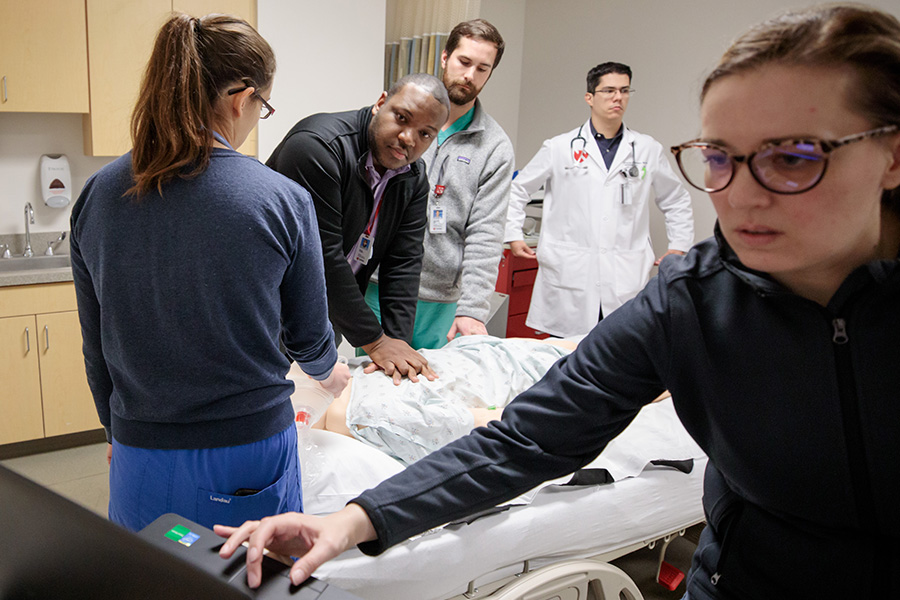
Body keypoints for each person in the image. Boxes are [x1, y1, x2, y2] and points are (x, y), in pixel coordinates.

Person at [217, 4, 900, 597]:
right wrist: (355, 520)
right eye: (719, 157)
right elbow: (527, 437)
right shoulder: (689, 303)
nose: (741, 196)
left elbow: (408, 258)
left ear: (891, 155)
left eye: (793, 156)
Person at [69, 13, 350, 532]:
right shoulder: (280, 200)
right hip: (245, 451)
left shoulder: (98, 197)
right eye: (262, 107)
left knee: (147, 582)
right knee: (247, 581)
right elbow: (310, 338)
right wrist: (333, 371)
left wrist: (117, 433)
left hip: (140, 449)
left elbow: (97, 347)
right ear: (242, 99)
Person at [266, 75, 450, 383]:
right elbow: (320, 257)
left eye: (425, 134)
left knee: (311, 405)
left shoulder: (412, 177)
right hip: (269, 307)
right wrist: (376, 342)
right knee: (269, 400)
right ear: (380, 104)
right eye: (401, 118)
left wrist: (396, 344)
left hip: (325, 312)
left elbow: (403, 263)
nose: (408, 138)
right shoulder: (317, 148)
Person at [505, 62, 694, 338]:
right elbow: (518, 188)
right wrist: (513, 233)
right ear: (589, 97)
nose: (618, 97)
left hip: (624, 275)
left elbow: (676, 199)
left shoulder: (646, 149)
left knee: (621, 353)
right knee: (565, 358)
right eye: (608, 90)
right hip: (570, 275)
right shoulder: (559, 147)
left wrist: (679, 246)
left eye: (624, 90)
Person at [364, 19, 515, 349]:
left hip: (441, 301)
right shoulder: (399, 120)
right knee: (375, 387)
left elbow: (486, 233)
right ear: (445, 57)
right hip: (381, 284)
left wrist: (473, 308)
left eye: (482, 68)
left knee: (432, 389)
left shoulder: (495, 147)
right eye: (464, 62)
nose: (470, 75)